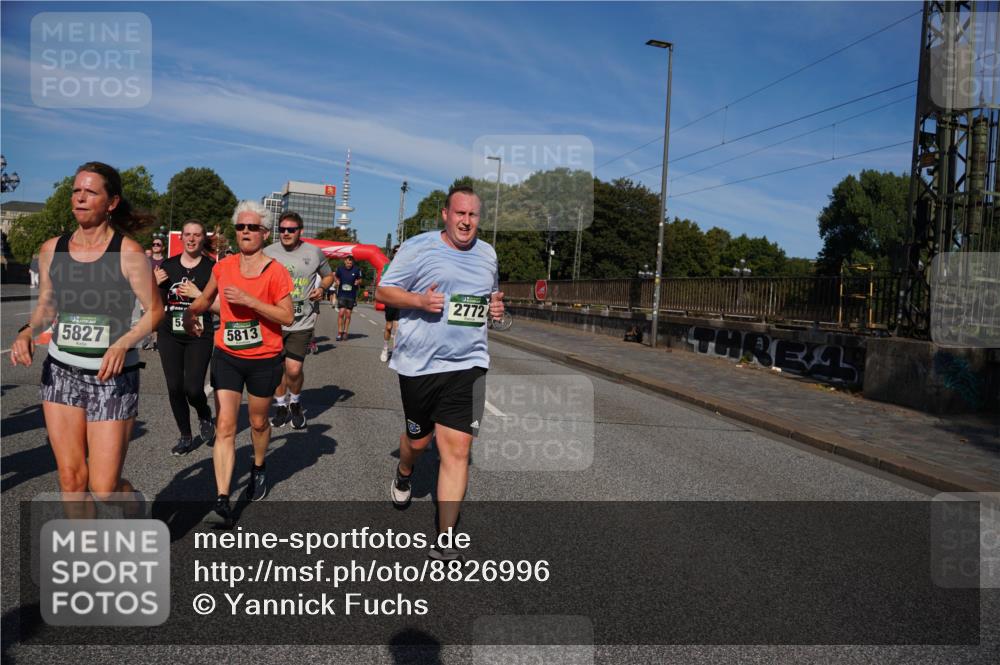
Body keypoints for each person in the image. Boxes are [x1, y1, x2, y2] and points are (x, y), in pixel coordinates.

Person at [9, 161, 163, 507]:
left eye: (90, 192)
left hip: (112, 377)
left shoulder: (128, 252)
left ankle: (136, 509)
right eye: (76, 191)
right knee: (71, 478)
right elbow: (47, 307)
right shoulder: (52, 250)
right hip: (61, 372)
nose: (79, 198)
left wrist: (124, 343)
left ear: (111, 202)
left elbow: (155, 311)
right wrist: (26, 332)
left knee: (104, 487)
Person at [376, 186, 504, 560]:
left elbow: (489, 297)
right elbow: (383, 290)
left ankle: (446, 538)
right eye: (460, 214)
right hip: (420, 364)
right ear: (446, 215)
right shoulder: (419, 247)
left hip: (469, 363)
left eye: (473, 215)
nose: (466, 221)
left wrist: (495, 309)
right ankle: (405, 470)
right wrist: (418, 300)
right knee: (418, 443)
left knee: (458, 450)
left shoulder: (488, 254)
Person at [183, 201, 292, 525]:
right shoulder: (224, 266)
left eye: (252, 227)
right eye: (241, 227)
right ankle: (222, 500)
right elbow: (204, 298)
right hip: (227, 356)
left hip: (264, 359)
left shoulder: (275, 271)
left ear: (265, 233)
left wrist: (251, 302)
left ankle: (258, 466)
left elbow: (286, 316)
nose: (245, 232)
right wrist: (192, 314)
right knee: (226, 426)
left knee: (258, 423)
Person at [263, 211, 333, 430]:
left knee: (293, 370)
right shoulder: (267, 252)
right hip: (273, 321)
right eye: (282, 229)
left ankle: (295, 402)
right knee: (277, 370)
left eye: (290, 230)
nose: (285, 233)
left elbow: (329, 275)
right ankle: (281, 406)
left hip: (301, 321)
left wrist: (322, 288)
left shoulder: (313, 252)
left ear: (300, 231)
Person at [155, 219, 216, 456]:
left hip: (200, 334)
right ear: (181, 238)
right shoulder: (167, 266)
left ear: (203, 238)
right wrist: (155, 284)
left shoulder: (212, 268)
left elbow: (220, 306)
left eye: (197, 235)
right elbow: (156, 304)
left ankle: (203, 413)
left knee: (192, 387)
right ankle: (185, 435)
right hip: (169, 333)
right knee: (174, 387)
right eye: (187, 234)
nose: (191, 239)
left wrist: (198, 294)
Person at [379, 245, 401, 362]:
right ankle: (385, 348)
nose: (398, 253)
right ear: (393, 253)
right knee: (389, 326)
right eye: (396, 251)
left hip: (401, 300)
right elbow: (383, 283)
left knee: (398, 328)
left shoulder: (406, 266)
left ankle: (396, 351)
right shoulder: (387, 267)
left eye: (400, 251)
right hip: (390, 300)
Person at [333, 255, 362, 341]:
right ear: (345, 262)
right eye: (347, 262)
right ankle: (339, 332)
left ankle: (345, 332)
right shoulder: (340, 269)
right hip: (342, 294)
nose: (349, 264)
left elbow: (360, 279)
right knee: (341, 312)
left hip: (351, 294)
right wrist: (336, 280)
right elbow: (334, 275)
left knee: (348, 314)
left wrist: (358, 282)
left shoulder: (357, 270)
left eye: (350, 262)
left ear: (352, 262)